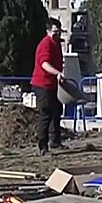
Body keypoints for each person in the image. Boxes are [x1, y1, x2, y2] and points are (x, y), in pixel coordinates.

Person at [31, 17, 66, 156]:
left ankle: (55, 140)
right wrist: (57, 73)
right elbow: (44, 64)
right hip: (42, 84)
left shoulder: (56, 43)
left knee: (57, 109)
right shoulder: (46, 44)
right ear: (48, 31)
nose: (57, 35)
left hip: (52, 84)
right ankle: (42, 146)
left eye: (59, 32)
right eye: (54, 32)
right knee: (45, 113)